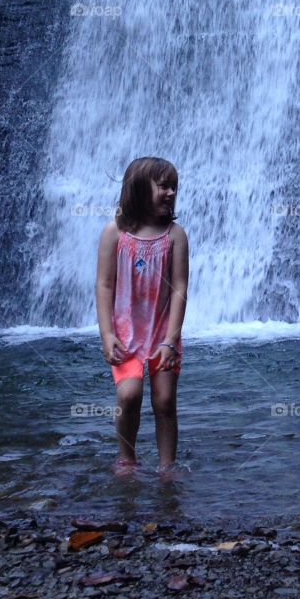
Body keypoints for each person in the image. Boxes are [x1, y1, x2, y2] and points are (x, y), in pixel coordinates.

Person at [95, 156, 189, 475]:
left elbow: (179, 289)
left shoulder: (175, 236)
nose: (171, 192)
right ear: (136, 188)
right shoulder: (114, 233)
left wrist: (171, 339)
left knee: (164, 401)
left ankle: (167, 465)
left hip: (164, 333)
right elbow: (105, 285)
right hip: (125, 333)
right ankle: (127, 456)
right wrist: (107, 334)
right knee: (130, 394)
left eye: (174, 187)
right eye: (163, 186)